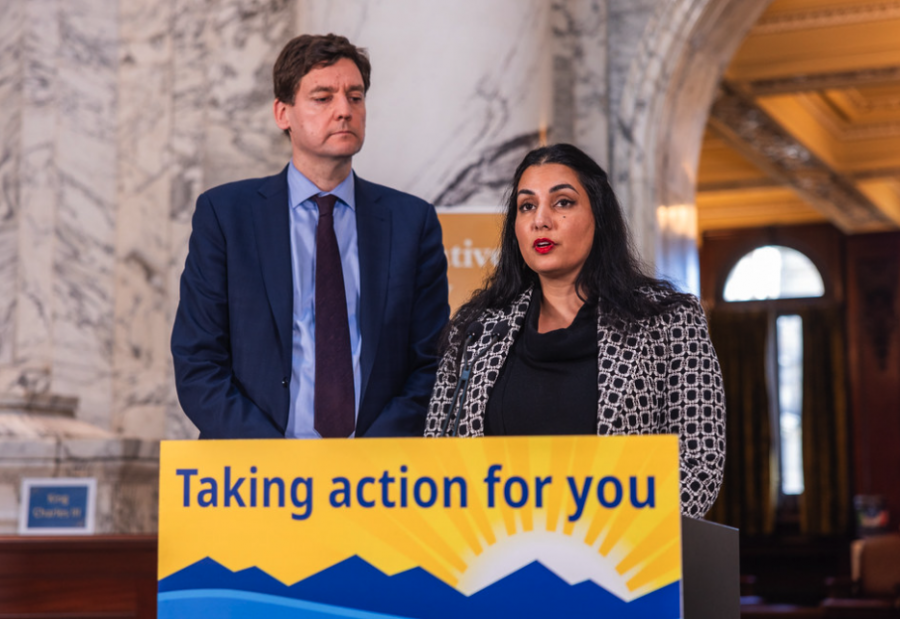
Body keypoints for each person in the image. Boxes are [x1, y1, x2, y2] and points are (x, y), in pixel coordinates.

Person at [424, 144, 724, 517]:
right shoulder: (475, 330)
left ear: (599, 216)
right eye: (527, 206)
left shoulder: (669, 322)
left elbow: (699, 466)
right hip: (491, 557)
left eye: (562, 203)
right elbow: (437, 463)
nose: (541, 220)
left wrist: (606, 538)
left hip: (619, 559)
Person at [172, 34, 449, 439]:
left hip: (376, 480)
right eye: (323, 97)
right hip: (256, 480)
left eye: (355, 97)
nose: (344, 110)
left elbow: (432, 364)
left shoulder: (411, 222)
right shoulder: (226, 216)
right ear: (283, 113)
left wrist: (364, 462)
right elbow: (198, 362)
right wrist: (280, 466)